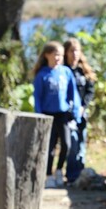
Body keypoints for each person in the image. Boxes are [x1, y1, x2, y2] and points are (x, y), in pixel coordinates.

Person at [33, 41, 81, 188]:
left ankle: (59, 170)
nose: (58, 58)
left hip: (63, 114)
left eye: (60, 55)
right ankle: (48, 175)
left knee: (66, 144)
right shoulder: (42, 75)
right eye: (55, 55)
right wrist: (39, 116)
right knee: (50, 147)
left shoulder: (66, 72)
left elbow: (73, 93)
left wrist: (76, 112)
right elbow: (38, 97)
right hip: (48, 115)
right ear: (47, 55)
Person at [64, 38, 96, 184]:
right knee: (73, 143)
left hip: (82, 112)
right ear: (66, 52)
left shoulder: (83, 71)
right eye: (71, 50)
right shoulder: (63, 70)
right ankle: (71, 175)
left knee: (82, 143)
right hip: (68, 115)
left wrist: (83, 106)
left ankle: (80, 173)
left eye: (77, 50)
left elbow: (90, 90)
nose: (75, 54)